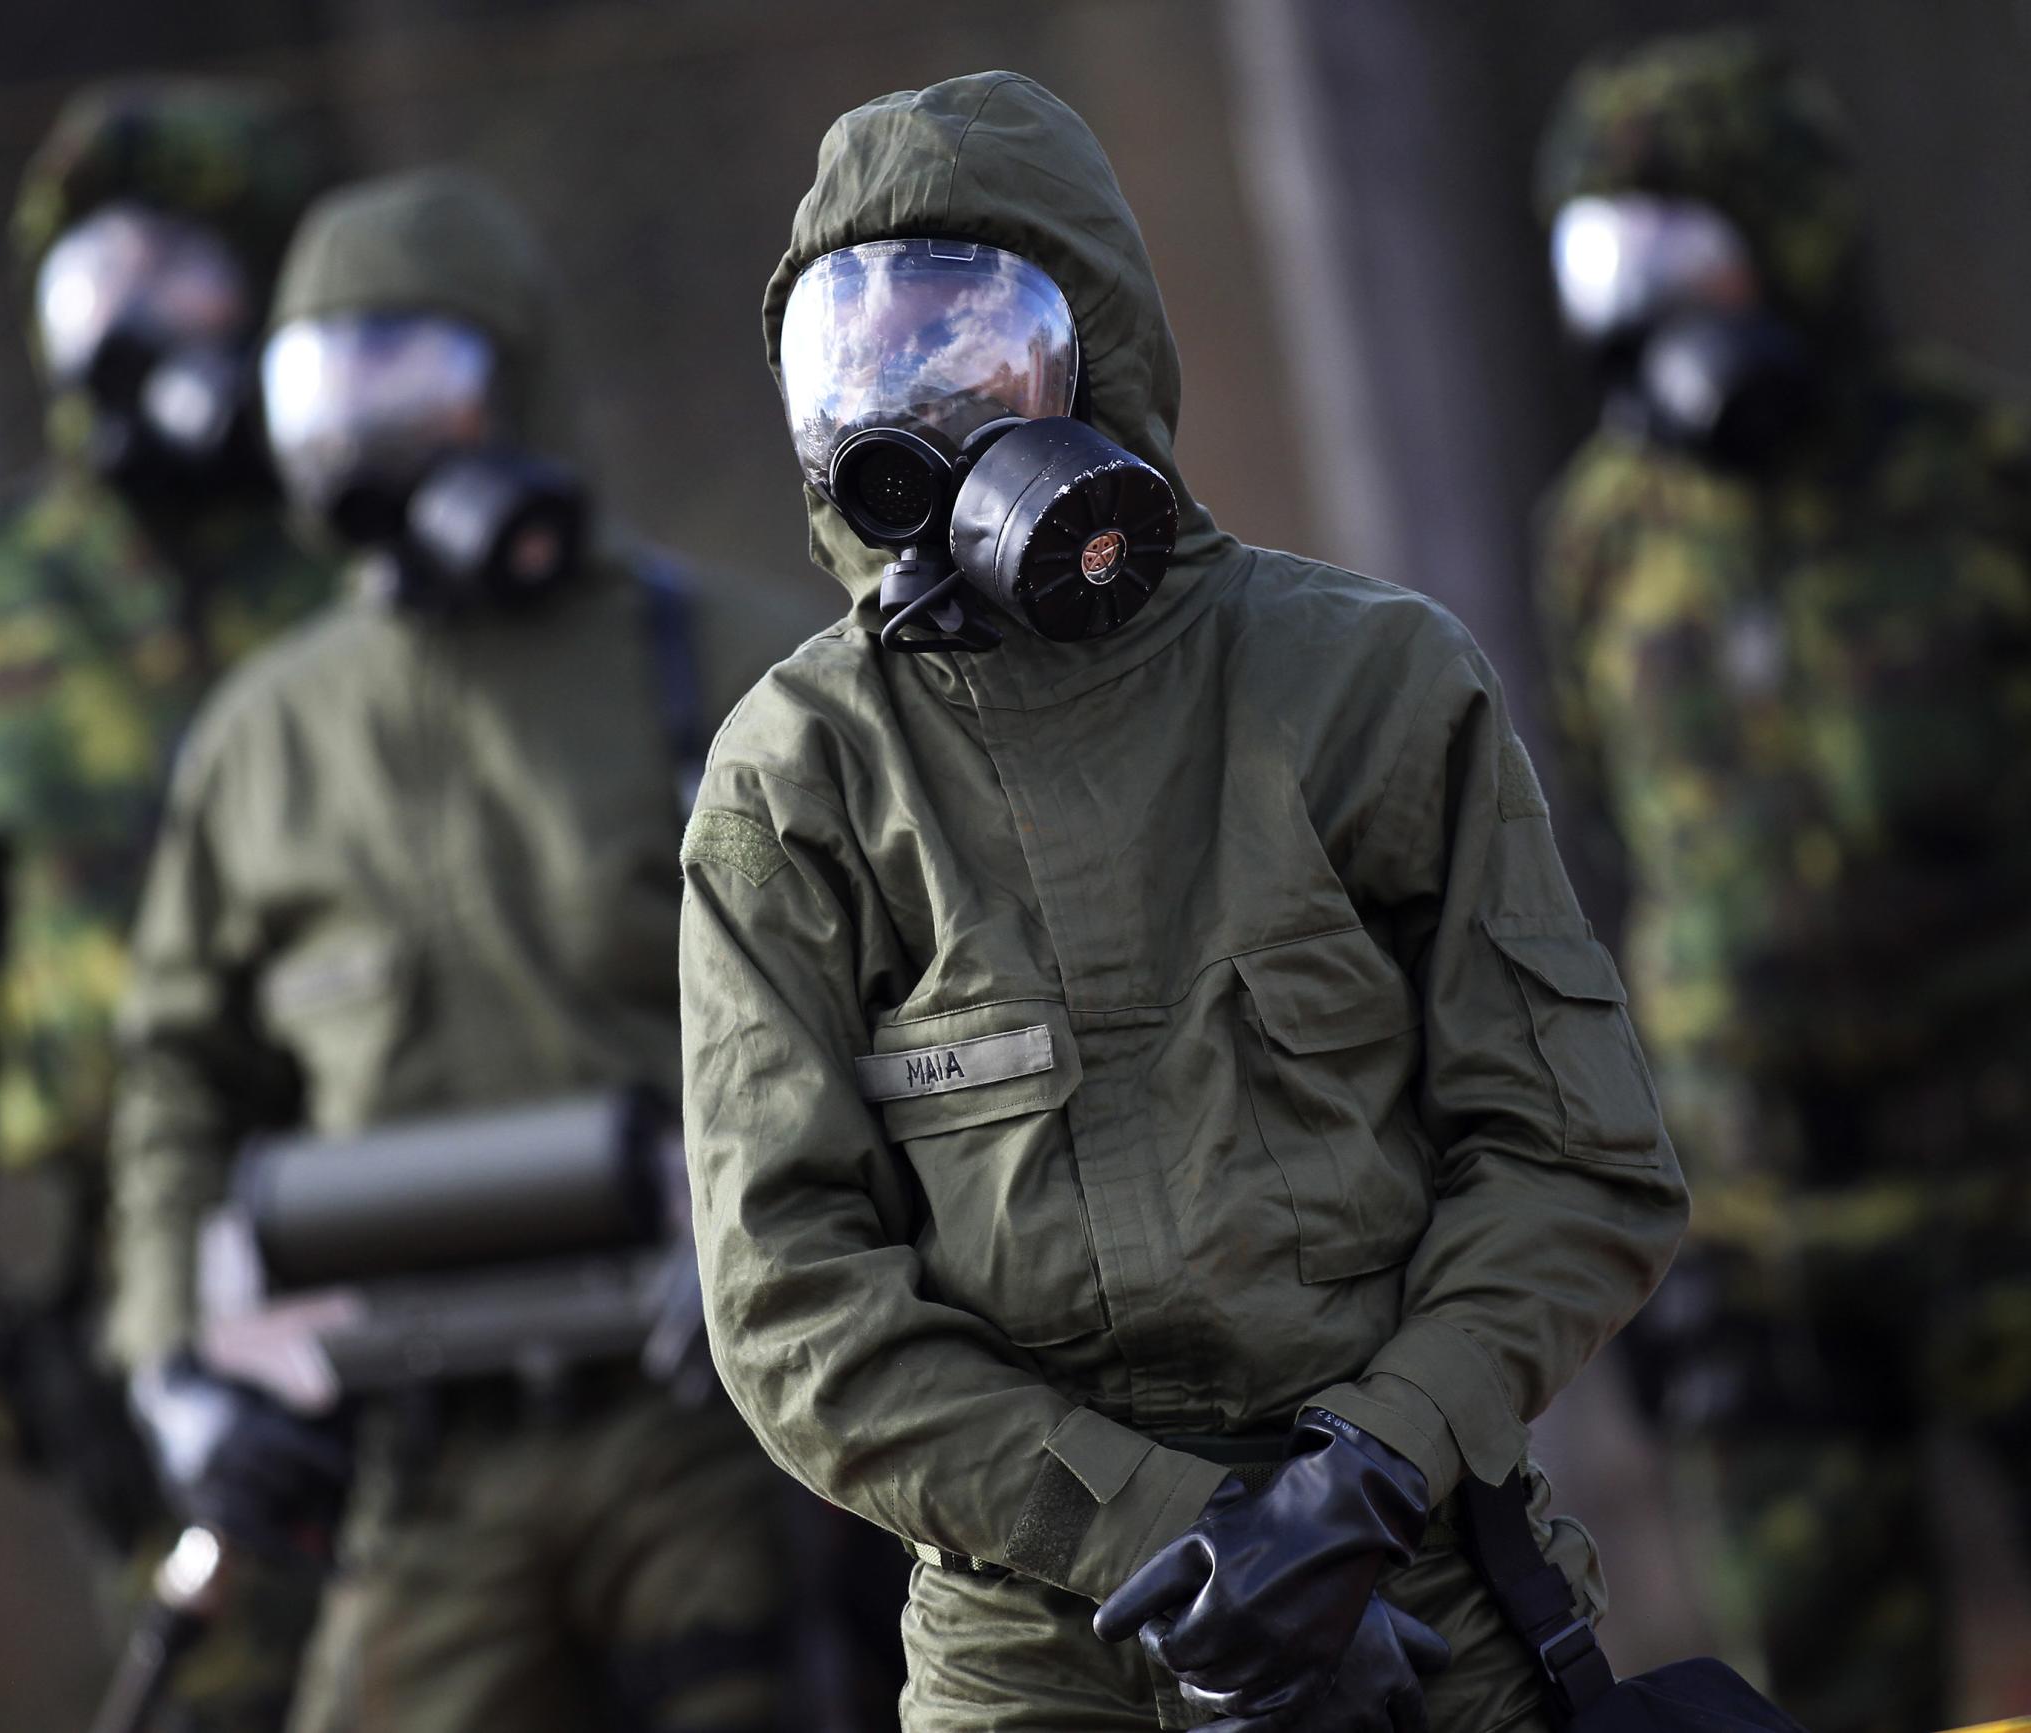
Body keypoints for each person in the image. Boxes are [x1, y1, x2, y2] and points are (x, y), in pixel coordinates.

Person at [678, 70, 1691, 1733]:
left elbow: (1579, 1159)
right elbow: (791, 1303)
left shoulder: (1368, 679)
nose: (905, 414)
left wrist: (1365, 1471)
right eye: (852, 366)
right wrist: (1162, 1525)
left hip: (1420, 1586)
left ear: (1105, 347)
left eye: (963, 347)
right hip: (1036, 1650)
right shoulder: (796, 778)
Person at [103, 165, 840, 1733]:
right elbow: (172, 1083)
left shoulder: (736, 672)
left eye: (411, 376)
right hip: (422, 1455)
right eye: (324, 384)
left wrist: (808, 1265)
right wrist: (181, 1371)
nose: (364, 436)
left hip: (716, 1411)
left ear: (518, 385)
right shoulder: (265, 745)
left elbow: (906, 1008)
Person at [1534, 30, 2031, 1733]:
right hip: (1769, 1256)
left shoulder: (2007, 487)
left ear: (1792, 233)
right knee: (1814, 1697)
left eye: (1690, 253)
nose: (1651, 312)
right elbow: (1620, 833)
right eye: (1608, 266)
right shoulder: (1603, 540)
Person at [0, 76, 335, 1731]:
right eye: (94, 282)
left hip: (410, 1179)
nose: (134, 328)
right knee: (231, 1670)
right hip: (146, 1268)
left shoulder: (352, 555)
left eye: (182, 279)